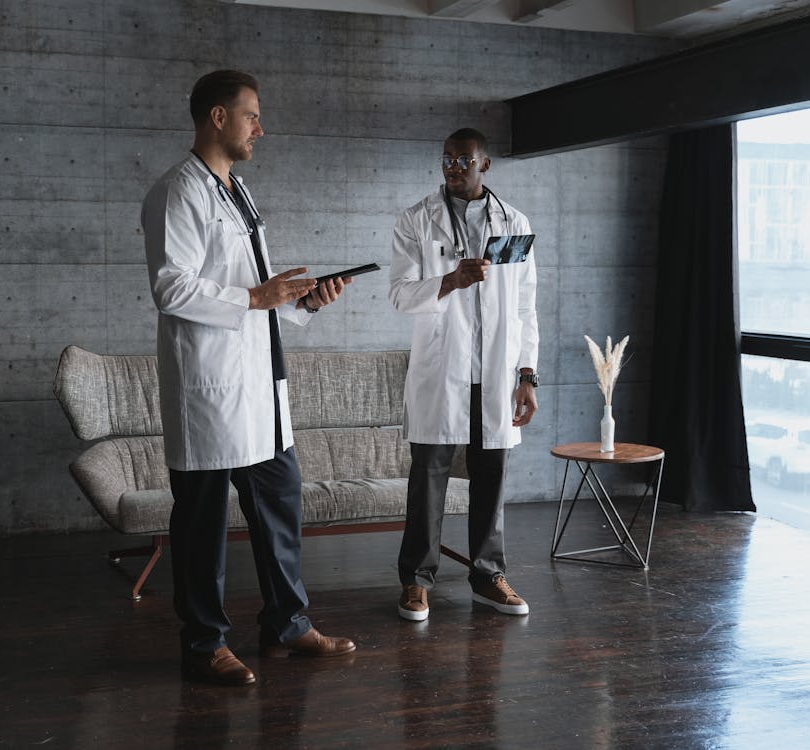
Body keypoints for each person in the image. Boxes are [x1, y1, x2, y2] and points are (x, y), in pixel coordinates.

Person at [142, 70, 355, 686]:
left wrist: (301, 302)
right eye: (251, 115)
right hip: (208, 386)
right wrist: (258, 296)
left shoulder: (238, 192)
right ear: (217, 117)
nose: (260, 128)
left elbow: (255, 294)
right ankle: (204, 643)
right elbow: (171, 287)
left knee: (280, 504)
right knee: (203, 522)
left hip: (260, 386)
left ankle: (288, 623)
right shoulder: (176, 192)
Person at [389, 127, 540, 622]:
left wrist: (527, 375)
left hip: (495, 372)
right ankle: (416, 581)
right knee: (428, 477)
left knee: (491, 476)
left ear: (485, 164)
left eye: (463, 160)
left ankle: (487, 574)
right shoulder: (417, 221)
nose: (453, 168)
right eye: (447, 160)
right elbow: (400, 294)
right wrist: (452, 279)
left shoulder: (513, 224)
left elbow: (524, 308)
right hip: (441, 370)